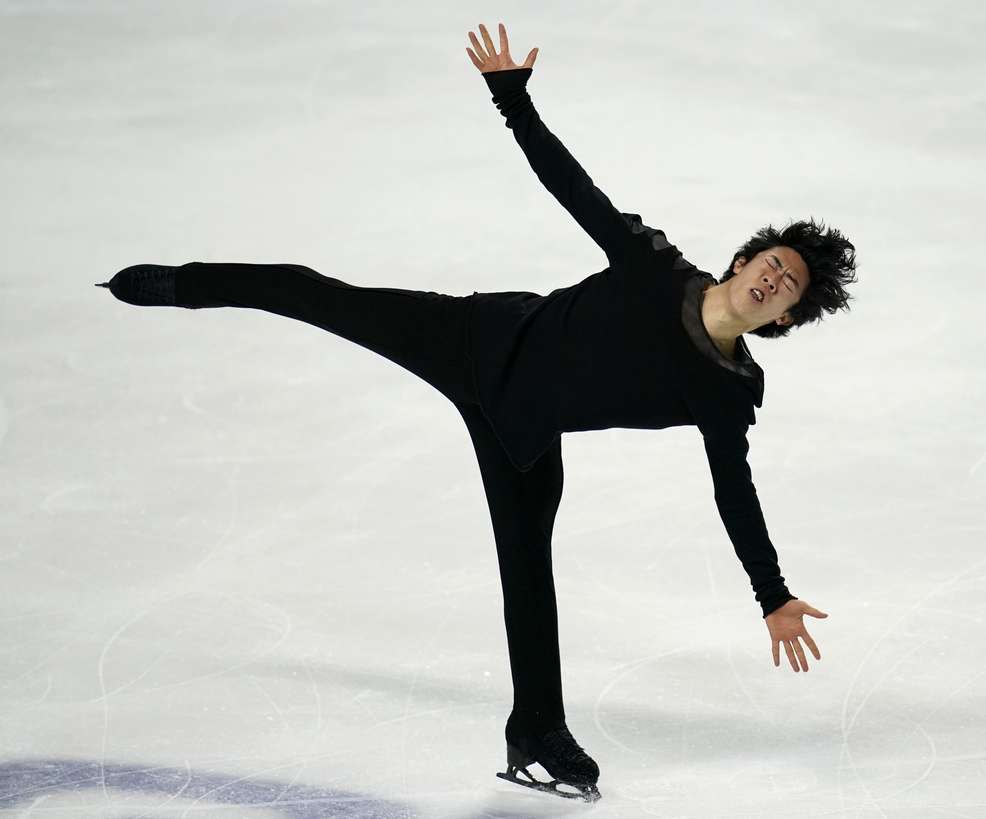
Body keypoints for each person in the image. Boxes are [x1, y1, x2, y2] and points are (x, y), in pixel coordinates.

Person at [96, 21, 857, 803]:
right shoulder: (654, 269)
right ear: (743, 259)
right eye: (773, 264)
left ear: (785, 320)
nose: (773, 280)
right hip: (472, 339)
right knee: (319, 294)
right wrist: (513, 103)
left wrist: (771, 594)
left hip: (522, 433)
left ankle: (536, 731)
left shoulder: (726, 390)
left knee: (530, 574)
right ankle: (179, 283)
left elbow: (734, 490)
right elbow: (576, 189)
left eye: (789, 287)